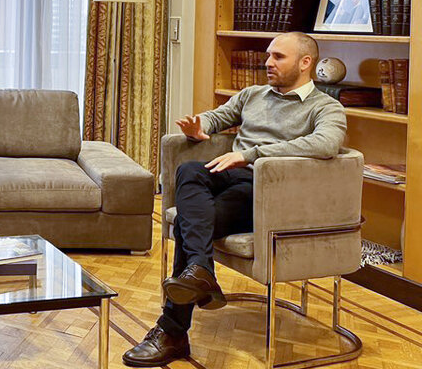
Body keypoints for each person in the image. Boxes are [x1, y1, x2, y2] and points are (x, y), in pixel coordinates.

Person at [122, 32, 346, 367]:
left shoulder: (326, 107)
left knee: (188, 221)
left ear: (305, 63)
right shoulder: (253, 95)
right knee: (189, 170)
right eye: (268, 55)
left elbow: (325, 145)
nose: (268, 62)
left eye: (278, 57)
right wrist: (200, 127)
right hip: (231, 175)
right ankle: (200, 269)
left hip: (269, 192)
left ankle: (172, 332)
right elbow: (218, 116)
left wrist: (252, 154)